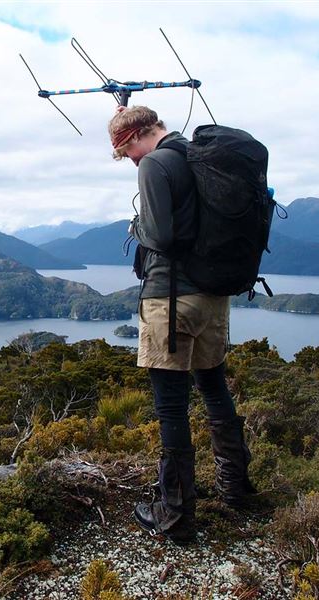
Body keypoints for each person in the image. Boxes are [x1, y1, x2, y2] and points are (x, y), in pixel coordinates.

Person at [109, 105, 256, 545]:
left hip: (170, 300)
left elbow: (162, 235)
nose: (130, 161)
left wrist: (136, 226)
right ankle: (236, 487)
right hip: (213, 298)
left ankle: (174, 513)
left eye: (125, 151)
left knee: (170, 407)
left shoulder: (155, 163)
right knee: (213, 387)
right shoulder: (198, 157)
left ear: (138, 135)